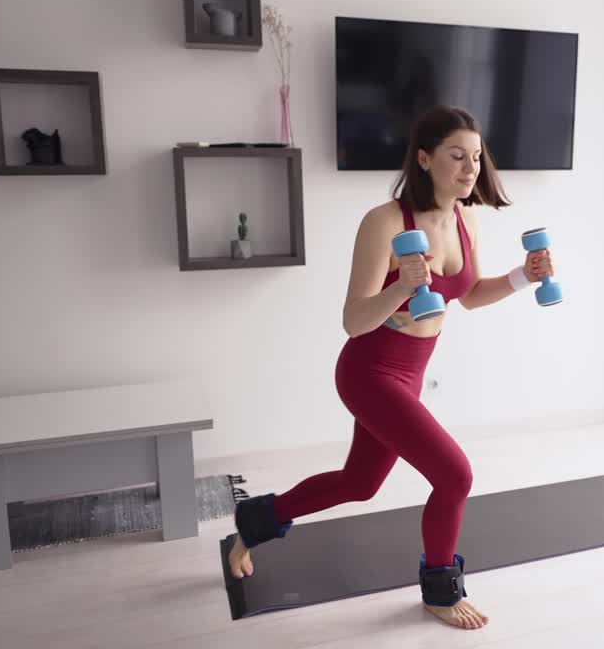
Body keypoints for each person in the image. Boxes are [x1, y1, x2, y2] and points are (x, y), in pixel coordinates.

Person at [225, 105, 555, 631]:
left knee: (360, 483)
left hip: (411, 373)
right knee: (455, 475)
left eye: (476, 156)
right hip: (369, 372)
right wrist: (401, 285)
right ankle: (440, 589)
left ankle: (253, 522)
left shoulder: (466, 217)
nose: (470, 168)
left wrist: (523, 277)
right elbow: (354, 320)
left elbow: (467, 295)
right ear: (424, 158)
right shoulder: (384, 222)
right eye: (456, 156)